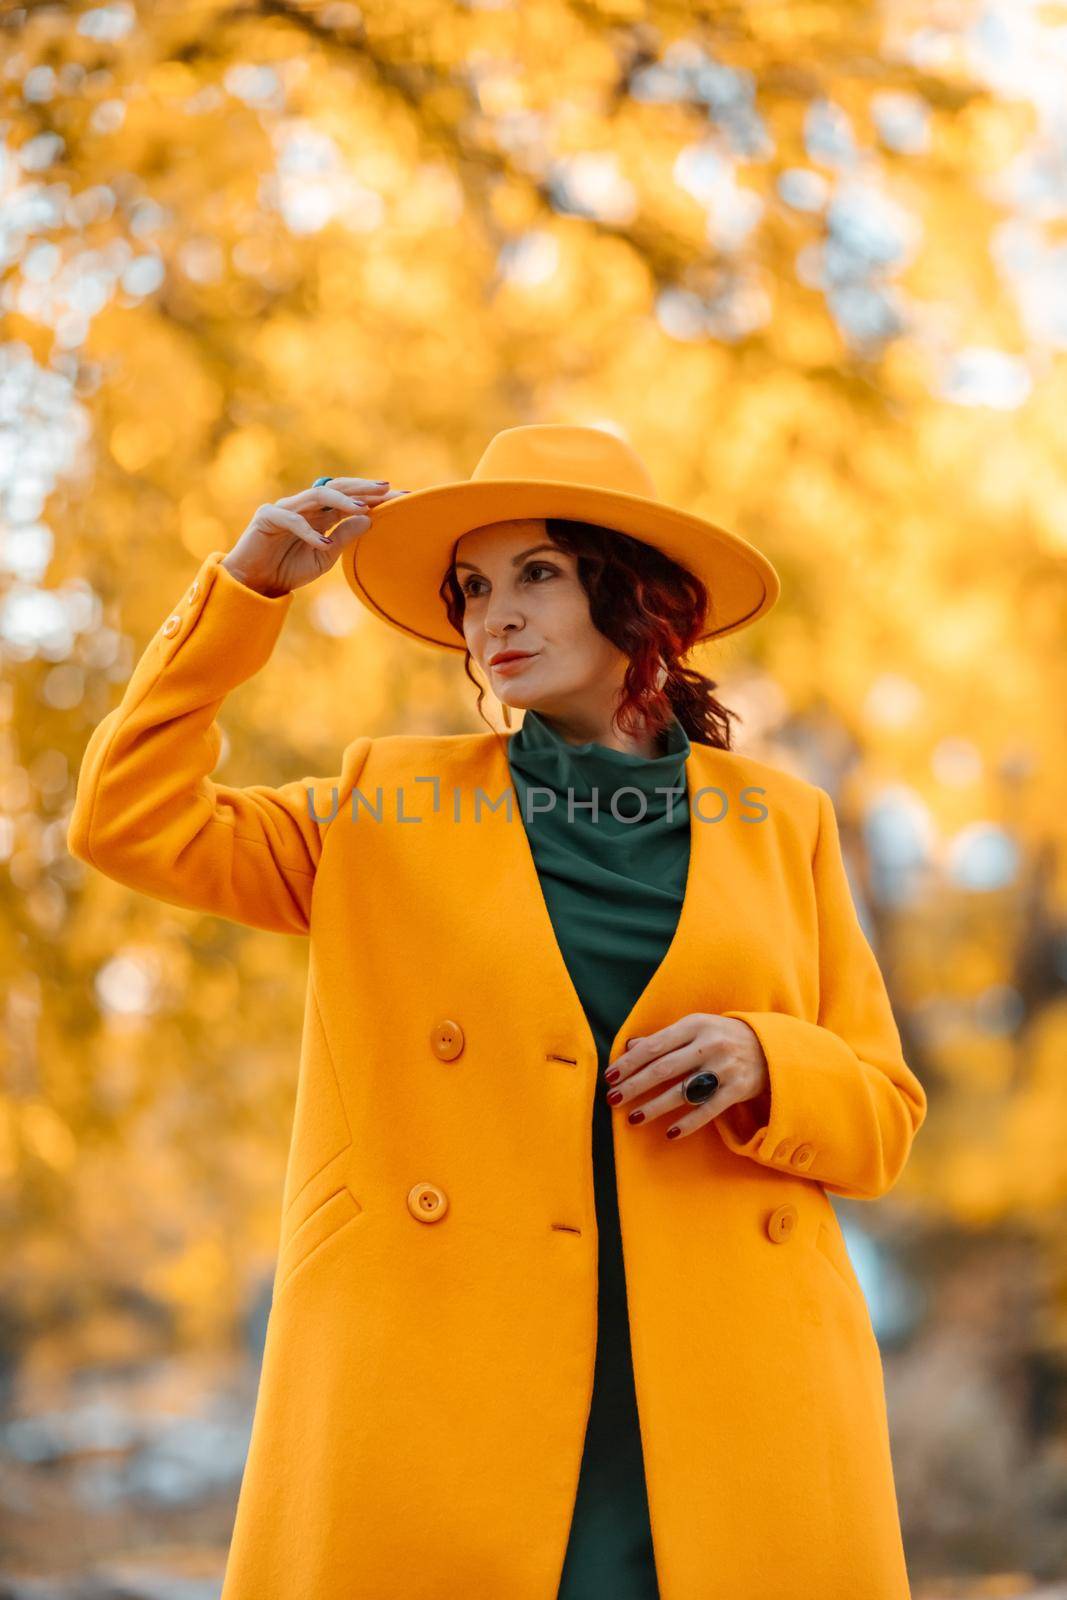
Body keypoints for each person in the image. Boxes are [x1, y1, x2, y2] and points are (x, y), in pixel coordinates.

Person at [67, 423, 927, 1600]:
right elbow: (127, 819)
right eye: (473, 588)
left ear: (632, 597)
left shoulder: (783, 821)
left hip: (731, 1393)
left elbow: (880, 1115)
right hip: (446, 1386)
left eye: (536, 575)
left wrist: (764, 1057)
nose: (491, 620)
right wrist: (246, 592)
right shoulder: (382, 805)